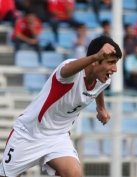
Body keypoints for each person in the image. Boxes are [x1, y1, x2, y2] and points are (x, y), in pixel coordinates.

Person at [0, 36, 122, 177]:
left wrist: (101, 107)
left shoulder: (104, 79)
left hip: (58, 137)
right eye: (111, 62)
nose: (115, 69)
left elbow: (98, 88)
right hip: (29, 133)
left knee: (74, 174)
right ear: (95, 62)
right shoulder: (71, 70)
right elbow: (65, 70)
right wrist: (95, 56)